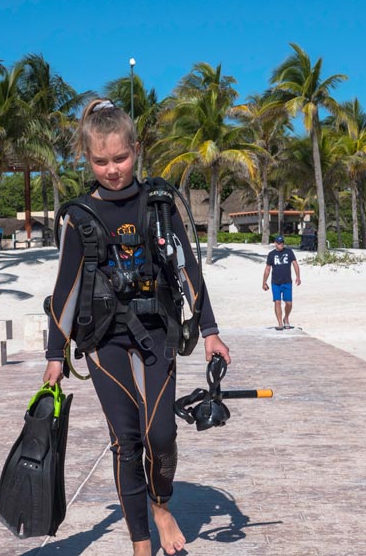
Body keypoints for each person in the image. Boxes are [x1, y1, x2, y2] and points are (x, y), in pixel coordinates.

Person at [43, 98, 230, 556]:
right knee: (126, 442)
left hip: (157, 331)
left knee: (160, 435)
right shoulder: (79, 216)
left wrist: (210, 331)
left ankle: (161, 505)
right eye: (100, 161)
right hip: (104, 340)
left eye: (120, 158)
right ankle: (140, 543)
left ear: (137, 149)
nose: (112, 169)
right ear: (86, 159)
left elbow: (188, 271)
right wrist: (54, 355)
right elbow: (65, 289)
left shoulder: (160, 205)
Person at [262, 235, 301, 330]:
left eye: (282, 243)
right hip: (275, 282)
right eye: (279, 243)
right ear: (275, 243)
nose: (281, 245)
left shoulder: (289, 252)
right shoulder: (271, 254)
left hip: (287, 282)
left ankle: (286, 317)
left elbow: (295, 264)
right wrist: (264, 282)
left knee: (289, 303)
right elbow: (267, 268)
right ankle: (280, 323)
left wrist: (298, 277)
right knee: (277, 302)